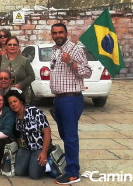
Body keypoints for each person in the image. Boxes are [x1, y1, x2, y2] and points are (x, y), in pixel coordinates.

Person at [50, 23, 92, 185]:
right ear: (52, 35)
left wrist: (70, 62)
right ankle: (70, 165)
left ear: (66, 33)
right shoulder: (55, 50)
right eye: (55, 33)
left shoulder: (75, 50)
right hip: (60, 99)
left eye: (61, 32)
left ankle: (73, 173)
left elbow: (87, 72)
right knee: (65, 135)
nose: (58, 35)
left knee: (70, 136)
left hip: (71, 99)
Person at [6, 89, 51, 180]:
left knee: (34, 175)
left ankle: (48, 162)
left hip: (39, 147)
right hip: (25, 148)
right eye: (10, 103)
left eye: (15, 101)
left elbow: (47, 132)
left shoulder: (35, 112)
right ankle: (31, 163)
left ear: (21, 101)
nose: (13, 105)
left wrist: (44, 152)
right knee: (19, 172)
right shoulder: (15, 117)